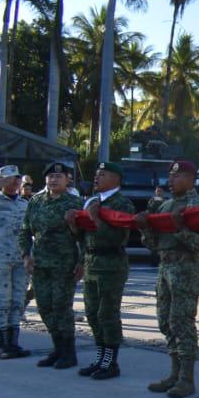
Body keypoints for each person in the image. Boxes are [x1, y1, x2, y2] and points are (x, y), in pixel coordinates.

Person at [137, 161, 199, 398]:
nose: (171, 180)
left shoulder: (198, 205)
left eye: (177, 176)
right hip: (165, 265)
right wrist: (145, 228)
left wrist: (180, 227)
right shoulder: (166, 205)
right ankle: (174, 373)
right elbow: (153, 244)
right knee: (164, 322)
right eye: (170, 176)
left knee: (182, 322)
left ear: (192, 178)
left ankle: (187, 379)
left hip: (186, 267)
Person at [65, 161, 134, 378]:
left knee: (107, 314)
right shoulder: (93, 201)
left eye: (102, 174)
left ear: (116, 179)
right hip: (92, 263)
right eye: (96, 174)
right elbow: (84, 238)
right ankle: (100, 356)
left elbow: (119, 238)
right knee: (92, 314)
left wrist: (96, 219)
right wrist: (73, 226)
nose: (96, 178)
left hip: (111, 265)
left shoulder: (122, 203)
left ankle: (111, 362)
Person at [19, 162, 83, 368]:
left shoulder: (75, 203)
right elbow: (24, 230)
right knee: (45, 308)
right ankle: (57, 348)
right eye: (50, 177)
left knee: (61, 308)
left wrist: (82, 262)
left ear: (67, 180)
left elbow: (86, 236)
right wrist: (26, 257)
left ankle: (69, 352)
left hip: (64, 265)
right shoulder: (36, 201)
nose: (54, 180)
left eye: (59, 177)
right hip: (40, 264)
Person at [0, 165, 31, 358]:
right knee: (2, 300)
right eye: (9, 179)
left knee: (18, 300)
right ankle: (2, 344)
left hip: (20, 259)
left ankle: (14, 342)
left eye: (17, 179)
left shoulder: (25, 205)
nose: (15, 182)